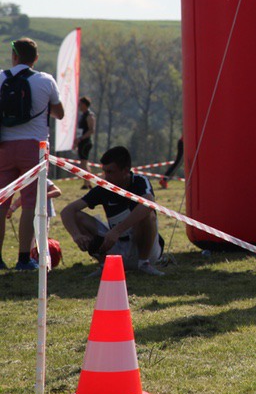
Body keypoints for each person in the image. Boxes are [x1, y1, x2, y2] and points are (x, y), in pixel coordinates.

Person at [0, 38, 64, 271]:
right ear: (35, 58)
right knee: (30, 205)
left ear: (14, 56)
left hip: (3, 146)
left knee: (1, 203)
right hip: (35, 148)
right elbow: (59, 113)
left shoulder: (0, 78)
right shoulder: (45, 80)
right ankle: (24, 258)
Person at [60, 145, 165, 276]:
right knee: (77, 216)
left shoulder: (139, 181)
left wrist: (117, 230)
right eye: (104, 172)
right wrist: (76, 235)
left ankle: (144, 264)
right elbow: (67, 211)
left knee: (148, 215)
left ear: (125, 170)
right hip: (117, 248)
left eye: (110, 172)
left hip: (144, 250)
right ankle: (105, 265)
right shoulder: (104, 188)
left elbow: (149, 204)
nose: (106, 177)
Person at [73, 96, 96, 189]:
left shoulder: (89, 115)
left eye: (80, 104)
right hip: (82, 141)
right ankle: (88, 182)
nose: (79, 105)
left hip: (86, 142)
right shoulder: (83, 115)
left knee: (83, 163)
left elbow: (91, 130)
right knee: (84, 163)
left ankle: (86, 183)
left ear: (85, 105)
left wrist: (81, 138)